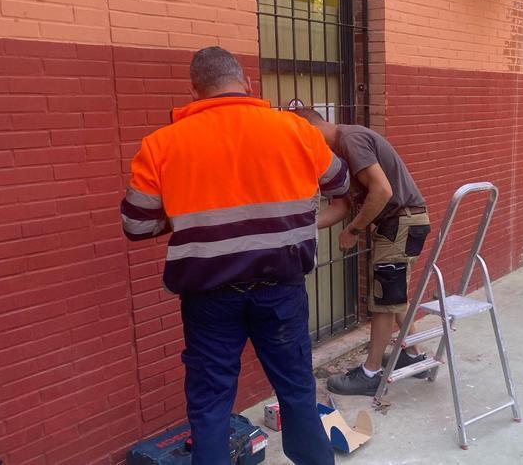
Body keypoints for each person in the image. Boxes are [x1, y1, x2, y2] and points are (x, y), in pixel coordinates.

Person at [121, 47, 348, 465]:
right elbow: (339, 180)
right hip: (281, 290)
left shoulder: (161, 144)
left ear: (194, 90)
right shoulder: (295, 131)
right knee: (297, 390)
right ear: (246, 83)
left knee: (210, 406)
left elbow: (136, 225)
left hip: (209, 299)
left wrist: (189, 216)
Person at [293, 109, 432, 396]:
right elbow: (341, 206)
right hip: (399, 223)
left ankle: (370, 373)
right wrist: (301, 226)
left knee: (383, 297)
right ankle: (416, 354)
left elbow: (382, 191)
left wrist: (353, 230)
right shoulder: (338, 155)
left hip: (400, 222)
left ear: (311, 129)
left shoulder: (350, 140)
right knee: (393, 293)